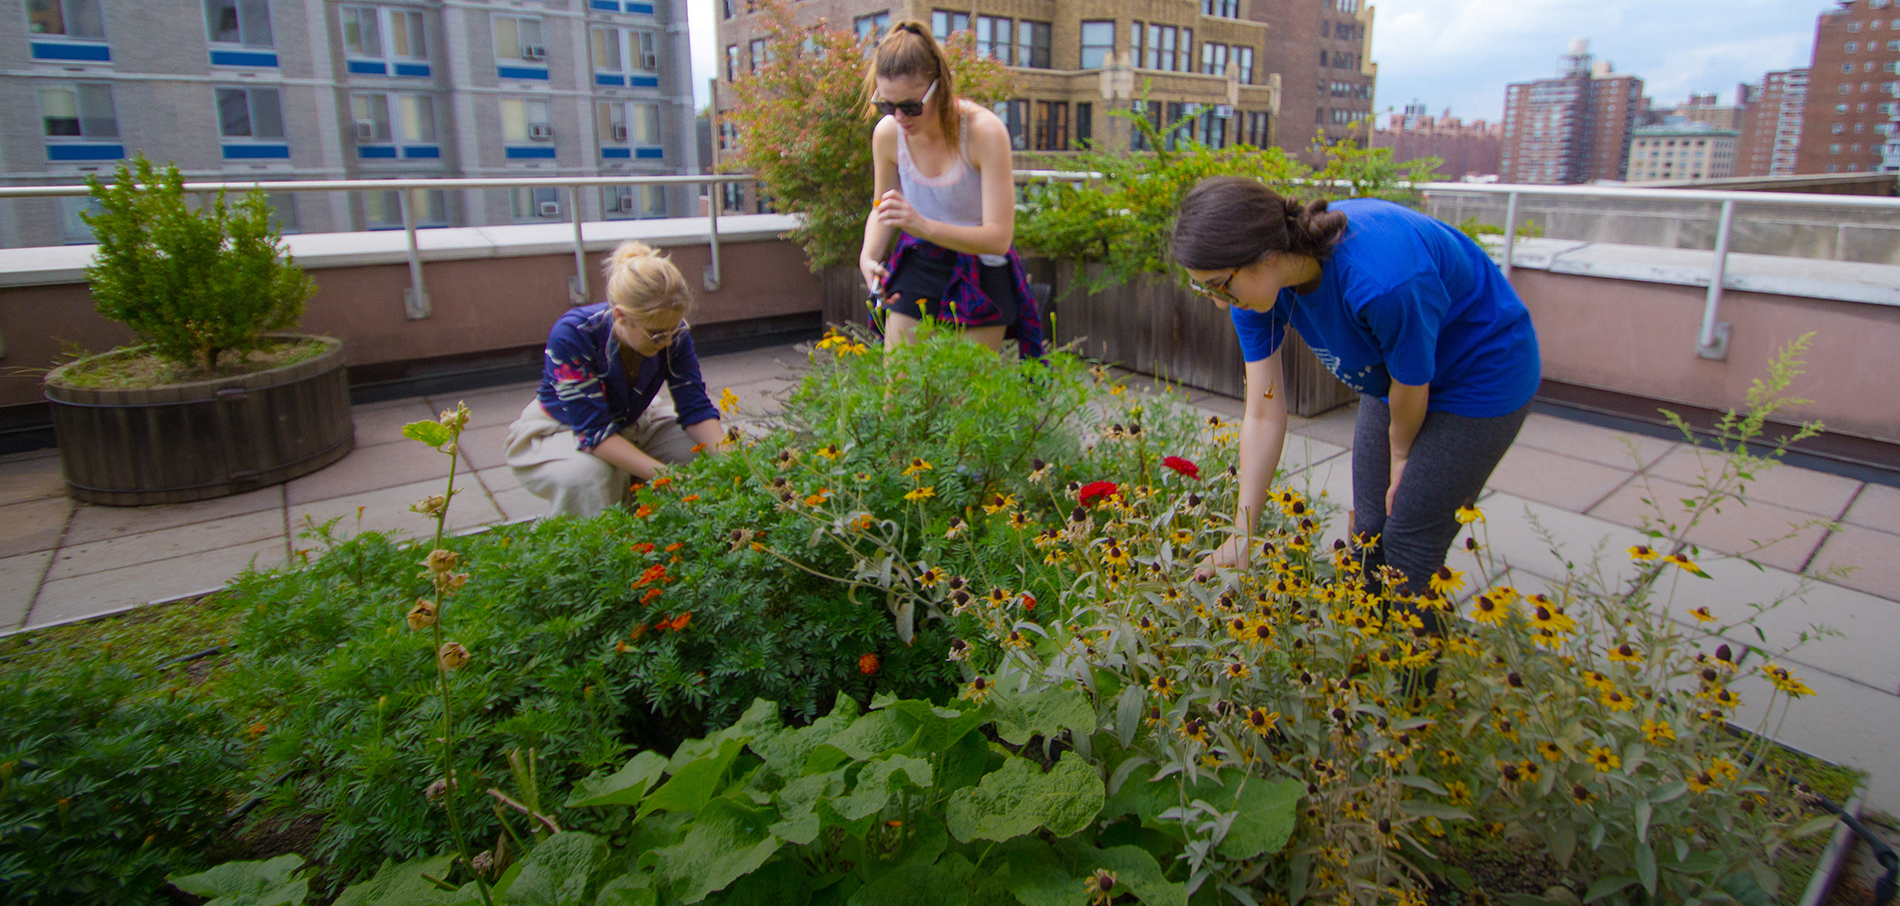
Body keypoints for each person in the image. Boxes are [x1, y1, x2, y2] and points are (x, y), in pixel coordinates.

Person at [1172, 177, 1542, 628]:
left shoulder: (1380, 279)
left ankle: (1412, 687)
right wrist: (1242, 532)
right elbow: (1263, 411)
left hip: (1483, 373)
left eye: (1218, 286)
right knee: (1368, 532)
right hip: (1401, 375)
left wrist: (1401, 454)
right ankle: (1371, 659)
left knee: (1408, 545)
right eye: (1203, 289)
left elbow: (1412, 385)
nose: (1216, 301)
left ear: (1264, 254)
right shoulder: (1253, 295)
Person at [856, 21, 1042, 358]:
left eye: (910, 106)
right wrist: (868, 255)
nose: (899, 117)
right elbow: (883, 206)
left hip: (982, 270)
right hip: (921, 262)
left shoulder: (984, 132)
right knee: (900, 397)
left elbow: (999, 238)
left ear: (938, 88)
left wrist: (922, 226)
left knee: (964, 401)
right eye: (886, 105)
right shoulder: (887, 134)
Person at [504, 241, 723, 518]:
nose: (668, 341)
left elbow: (695, 407)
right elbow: (594, 432)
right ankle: (585, 547)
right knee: (591, 476)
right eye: (657, 334)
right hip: (561, 428)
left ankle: (666, 532)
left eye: (674, 329)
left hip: (633, 421)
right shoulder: (573, 334)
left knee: (704, 452)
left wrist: (732, 460)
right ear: (621, 316)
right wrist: (666, 477)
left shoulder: (670, 330)